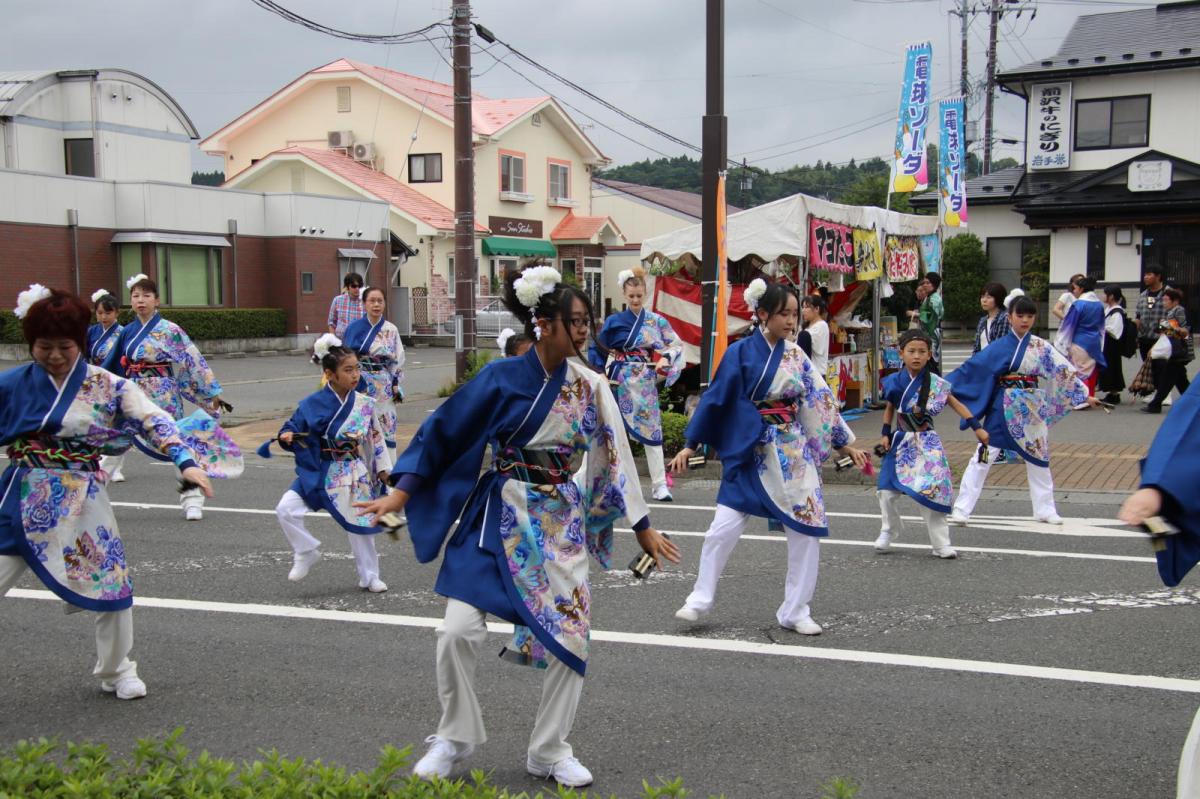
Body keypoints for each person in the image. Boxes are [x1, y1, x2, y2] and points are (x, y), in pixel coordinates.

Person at [357, 266, 679, 788]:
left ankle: (550, 749)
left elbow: (615, 457)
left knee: (572, 639)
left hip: (559, 522)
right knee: (457, 630)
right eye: (573, 322)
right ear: (542, 324)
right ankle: (454, 736)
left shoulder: (591, 386)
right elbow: (443, 432)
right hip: (498, 513)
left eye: (586, 322)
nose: (583, 331)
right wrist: (400, 492)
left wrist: (641, 525)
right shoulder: (500, 378)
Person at [0, 286, 215, 700]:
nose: (56, 356)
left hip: (82, 501)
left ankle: (117, 670)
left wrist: (186, 462)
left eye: (65, 346)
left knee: (112, 589)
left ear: (80, 342)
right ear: (31, 344)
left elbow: (157, 420)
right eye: (44, 347)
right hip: (21, 497)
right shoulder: (11, 385)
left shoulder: (108, 386)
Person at [668, 280, 866, 634]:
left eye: (794, 314)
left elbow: (817, 402)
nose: (792, 321)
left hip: (792, 453)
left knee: (805, 530)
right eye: (784, 314)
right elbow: (715, 399)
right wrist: (691, 443)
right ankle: (700, 597)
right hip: (750, 450)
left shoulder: (796, 356)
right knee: (722, 528)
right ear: (762, 315)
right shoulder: (740, 353)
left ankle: (796, 609)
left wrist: (842, 443)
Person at [946, 291, 1101, 526]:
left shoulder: (1041, 346)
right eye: (1020, 315)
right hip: (1003, 407)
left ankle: (1045, 508)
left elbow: (1063, 371)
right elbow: (972, 369)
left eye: (1030, 316)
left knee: (1039, 459)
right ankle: (962, 508)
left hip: (1032, 408)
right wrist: (941, 386)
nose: (1025, 320)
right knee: (984, 455)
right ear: (1010, 317)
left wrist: (1084, 394)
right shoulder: (1000, 346)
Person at [262, 335, 392, 592]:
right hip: (319, 469)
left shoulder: (365, 405)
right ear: (329, 374)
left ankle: (370, 575)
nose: (355, 375)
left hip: (352, 471)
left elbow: (376, 438)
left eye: (357, 368)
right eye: (348, 370)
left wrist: (385, 470)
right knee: (285, 508)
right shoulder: (312, 404)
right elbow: (292, 425)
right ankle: (305, 550)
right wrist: (287, 434)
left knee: (360, 526)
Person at [101, 274, 236, 521]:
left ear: (157, 300)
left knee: (177, 444)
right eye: (136, 296)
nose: (140, 301)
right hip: (133, 392)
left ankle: (192, 500)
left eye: (146, 296)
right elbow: (111, 366)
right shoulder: (127, 332)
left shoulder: (170, 330)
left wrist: (212, 393)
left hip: (162, 393)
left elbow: (193, 359)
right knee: (114, 444)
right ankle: (91, 496)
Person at [874, 328, 990, 559]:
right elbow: (889, 408)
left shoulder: (937, 384)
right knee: (886, 492)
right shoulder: (894, 381)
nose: (916, 356)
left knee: (933, 492)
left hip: (927, 442)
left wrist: (976, 426)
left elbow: (955, 404)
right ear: (902, 353)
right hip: (900, 441)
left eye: (922, 351)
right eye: (911, 351)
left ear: (929, 355)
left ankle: (940, 544)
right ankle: (889, 530)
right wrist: (885, 433)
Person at [591, 266, 684, 502]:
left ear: (645, 295)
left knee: (652, 432)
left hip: (643, 381)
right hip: (618, 379)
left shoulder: (655, 321)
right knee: (610, 432)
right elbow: (597, 348)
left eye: (639, 296)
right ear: (624, 294)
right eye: (631, 296)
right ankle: (603, 482)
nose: (635, 300)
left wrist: (665, 357)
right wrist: (599, 372)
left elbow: (676, 344)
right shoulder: (614, 322)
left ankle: (660, 484)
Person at [342, 286, 404, 449]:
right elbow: (344, 359)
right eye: (372, 301)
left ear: (384, 304)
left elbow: (398, 359)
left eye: (380, 301)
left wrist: (396, 384)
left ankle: (387, 470)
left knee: (386, 426)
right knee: (359, 428)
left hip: (384, 387)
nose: (376, 304)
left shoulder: (391, 329)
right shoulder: (353, 328)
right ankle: (360, 469)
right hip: (360, 384)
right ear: (364, 304)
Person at [87, 289, 126, 482]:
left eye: (108, 313)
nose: (103, 317)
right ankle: (99, 461)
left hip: (116, 381)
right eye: (100, 313)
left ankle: (116, 465)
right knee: (97, 423)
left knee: (116, 424)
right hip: (95, 381)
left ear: (116, 313)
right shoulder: (91, 332)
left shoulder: (123, 333)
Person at [1054, 275, 1106, 408]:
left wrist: (1062, 342)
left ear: (1081, 289)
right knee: (1091, 368)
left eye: (1075, 288)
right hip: (1094, 340)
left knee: (1078, 369)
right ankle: (1091, 395)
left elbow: (1069, 325)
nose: (1074, 291)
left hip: (1079, 340)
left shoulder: (1079, 304)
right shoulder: (1099, 305)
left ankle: (1082, 398)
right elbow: (1102, 326)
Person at [1143, 288, 1192, 415]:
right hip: (1174, 349)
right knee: (1181, 380)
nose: (1163, 302)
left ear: (1174, 301)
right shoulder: (1171, 311)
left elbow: (1184, 330)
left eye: (1166, 300)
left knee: (1168, 377)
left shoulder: (1179, 310)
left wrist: (1166, 327)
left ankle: (1155, 404)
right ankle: (1193, 403)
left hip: (1177, 349)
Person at [1135, 266, 1172, 404]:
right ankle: (1156, 392)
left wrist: (1165, 333)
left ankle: (1165, 394)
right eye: (1145, 274)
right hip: (1145, 336)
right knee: (1150, 366)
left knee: (1161, 366)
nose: (1145, 277)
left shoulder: (1168, 293)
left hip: (1161, 337)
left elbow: (1171, 315)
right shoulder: (1143, 295)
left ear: (1158, 276)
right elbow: (1138, 315)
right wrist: (1135, 333)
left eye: (1149, 274)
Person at [1099, 285, 1128, 404]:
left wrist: (1102, 327)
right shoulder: (1110, 309)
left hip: (1112, 344)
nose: (1103, 296)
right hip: (1108, 343)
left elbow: (1115, 330)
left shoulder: (1117, 311)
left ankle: (1114, 394)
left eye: (1105, 294)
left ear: (1111, 296)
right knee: (1109, 368)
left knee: (1112, 368)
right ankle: (1111, 393)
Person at [915, 273, 944, 373]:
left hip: (931, 334)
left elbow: (931, 318)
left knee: (930, 363)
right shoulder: (929, 297)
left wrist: (917, 315)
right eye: (924, 282)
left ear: (934, 285)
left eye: (928, 283)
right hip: (928, 334)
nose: (925, 285)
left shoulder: (934, 299)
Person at [973, 282, 1011, 355]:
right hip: (981, 363)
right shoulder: (983, 320)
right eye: (982, 296)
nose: (984, 300)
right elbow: (977, 347)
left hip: (995, 364)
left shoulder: (1004, 318)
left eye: (988, 297)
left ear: (998, 298)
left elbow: (999, 348)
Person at [327, 272, 365, 339]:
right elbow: (331, 322)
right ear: (347, 287)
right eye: (354, 286)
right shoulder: (337, 300)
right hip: (340, 342)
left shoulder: (366, 302)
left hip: (359, 342)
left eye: (359, 286)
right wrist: (334, 341)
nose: (357, 289)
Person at [800, 294, 830, 377]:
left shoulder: (822, 325)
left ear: (817, 309)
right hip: (807, 374)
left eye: (807, 307)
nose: (803, 310)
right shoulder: (807, 327)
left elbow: (805, 342)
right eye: (803, 307)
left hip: (817, 375)